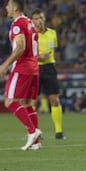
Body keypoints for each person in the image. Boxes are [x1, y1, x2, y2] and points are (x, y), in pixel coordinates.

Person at [0, 0, 42, 151]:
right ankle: (36, 142)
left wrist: (5, 64)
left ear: (15, 7)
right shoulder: (30, 23)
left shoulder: (17, 24)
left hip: (22, 67)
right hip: (34, 67)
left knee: (9, 101)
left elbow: (20, 47)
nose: (6, 8)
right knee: (26, 103)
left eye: (8, 5)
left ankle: (32, 131)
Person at [31, 8, 65, 140]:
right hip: (35, 68)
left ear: (44, 19)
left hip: (50, 68)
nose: (39, 20)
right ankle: (34, 131)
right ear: (32, 21)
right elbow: (25, 54)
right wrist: (39, 57)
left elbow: (53, 51)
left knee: (54, 99)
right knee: (33, 101)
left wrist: (48, 59)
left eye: (41, 18)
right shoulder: (30, 35)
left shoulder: (52, 33)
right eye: (36, 18)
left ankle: (59, 132)